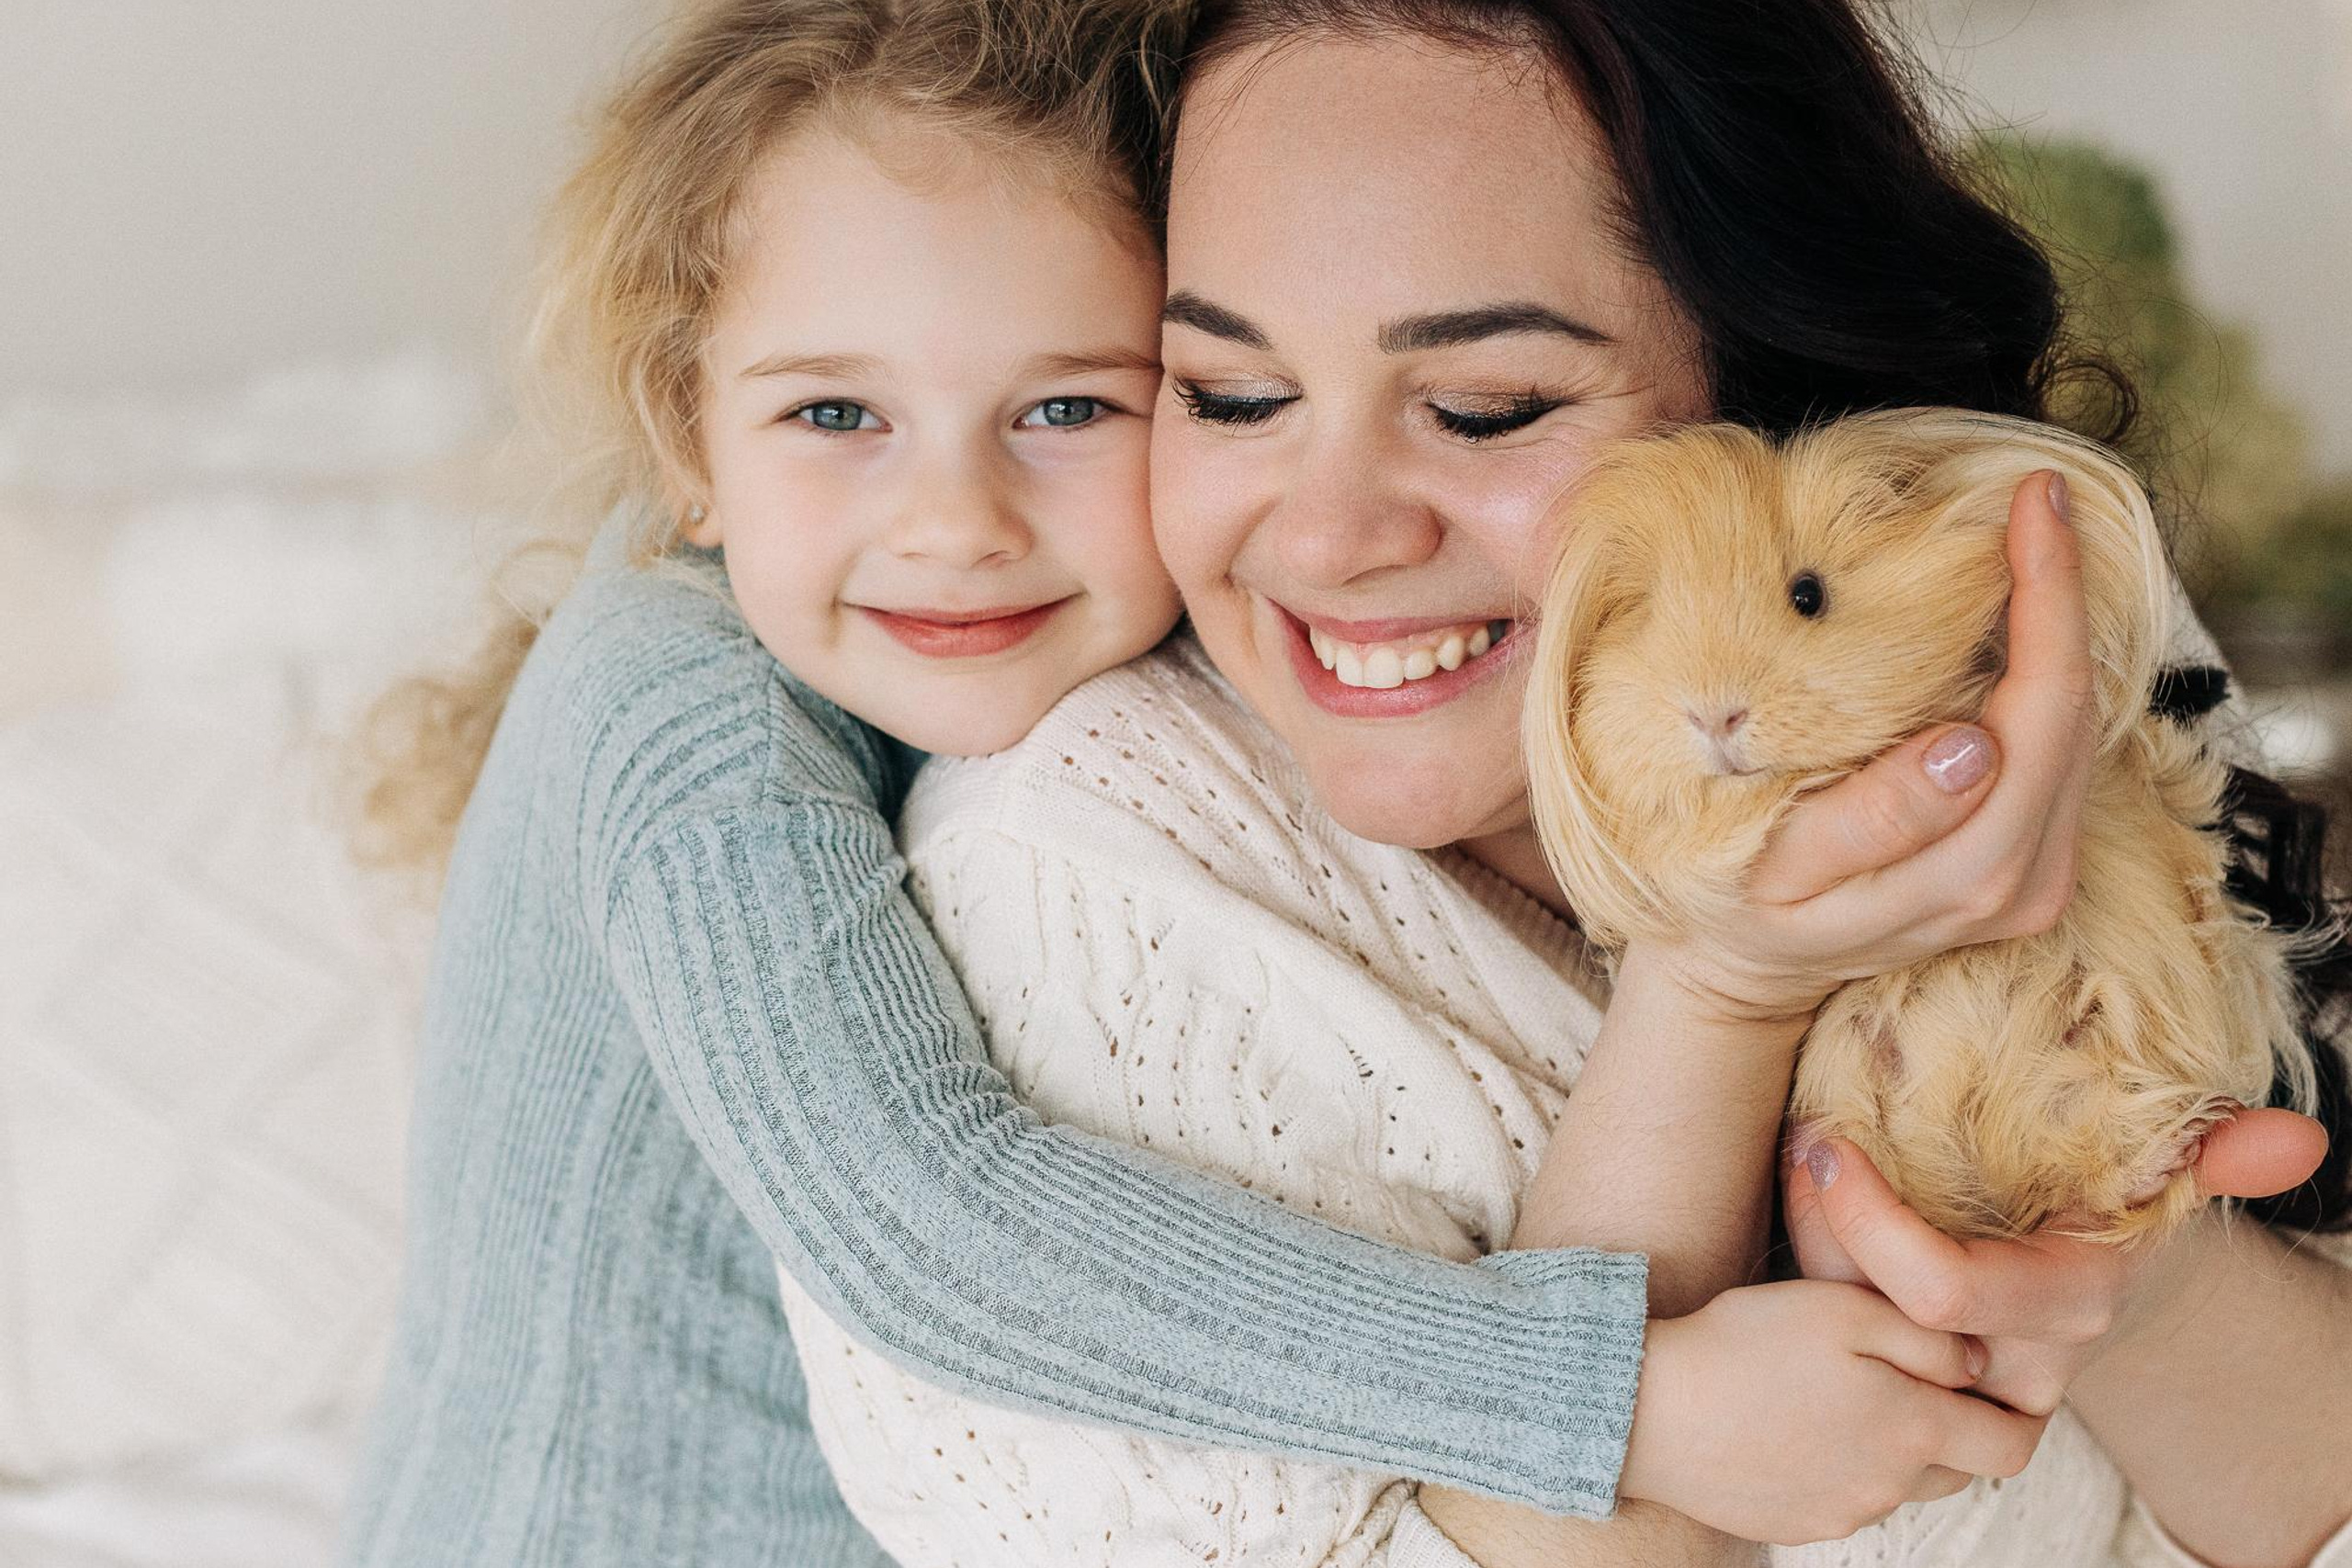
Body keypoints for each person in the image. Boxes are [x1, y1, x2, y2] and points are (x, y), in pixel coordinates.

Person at [343, 1, 2060, 1561]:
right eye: (835, 418)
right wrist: (1613, 1404)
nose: (955, 523)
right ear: (683, 444)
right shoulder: (683, 711)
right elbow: (930, 1224)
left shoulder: (1192, 674)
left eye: (1073, 411)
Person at [775, 2, 2352, 1564]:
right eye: (1232, 396)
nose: (1324, 540)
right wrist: (1719, 992)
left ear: (1774, 395)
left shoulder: (2001, 631)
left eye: (1486, 409)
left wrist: (2145, 1281)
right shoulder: (1082, 886)